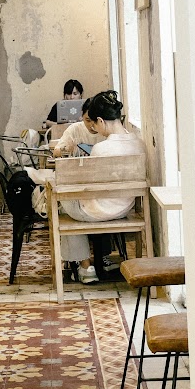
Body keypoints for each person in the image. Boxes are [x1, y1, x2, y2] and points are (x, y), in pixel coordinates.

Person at [56, 90, 144, 284]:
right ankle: (94, 262)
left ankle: (85, 266)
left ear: (101, 121)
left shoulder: (101, 149)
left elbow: (87, 187)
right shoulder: (138, 143)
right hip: (124, 208)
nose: (96, 130)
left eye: (95, 125)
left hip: (98, 211)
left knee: (61, 201)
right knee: (70, 200)